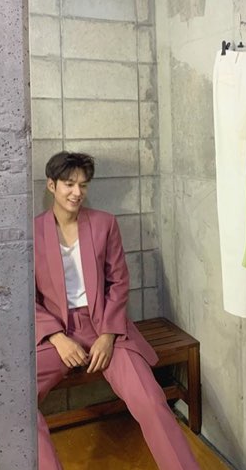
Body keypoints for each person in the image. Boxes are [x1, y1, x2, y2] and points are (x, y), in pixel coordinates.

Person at [35, 151, 200, 470]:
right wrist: (57, 337)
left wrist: (108, 335)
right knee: (14, 397)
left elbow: (119, 282)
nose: (77, 192)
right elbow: (27, 297)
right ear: (51, 185)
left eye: (83, 185)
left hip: (106, 326)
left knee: (150, 400)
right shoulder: (33, 232)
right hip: (57, 331)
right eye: (69, 184)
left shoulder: (103, 224)